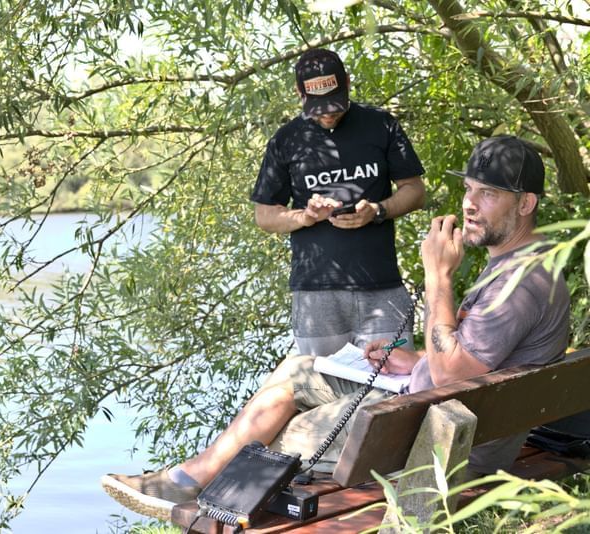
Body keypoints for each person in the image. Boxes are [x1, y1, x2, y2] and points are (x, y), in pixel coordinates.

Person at [101, 136, 570, 522]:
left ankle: (190, 489)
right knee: (300, 369)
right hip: (438, 409)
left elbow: (452, 377)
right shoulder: (523, 264)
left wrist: (437, 277)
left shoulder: (523, 283)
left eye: (488, 194)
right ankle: (187, 478)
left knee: (279, 433)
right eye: (468, 189)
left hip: (442, 443)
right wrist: (419, 360)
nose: (469, 204)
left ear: (525, 203)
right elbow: (470, 361)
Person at [250, 48, 426, 357]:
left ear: (347, 82)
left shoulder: (381, 124)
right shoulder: (286, 140)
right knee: (320, 382)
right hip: (315, 295)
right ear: (300, 93)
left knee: (396, 380)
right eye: (319, 108)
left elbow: (415, 190)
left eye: (335, 104)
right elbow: (264, 215)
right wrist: (305, 216)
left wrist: (378, 210)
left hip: (382, 287)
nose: (328, 114)